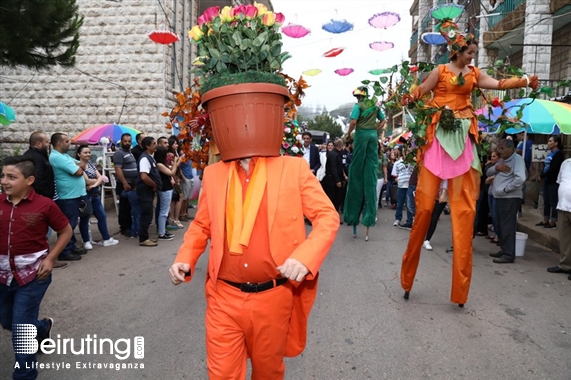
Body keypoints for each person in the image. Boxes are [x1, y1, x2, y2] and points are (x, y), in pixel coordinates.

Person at [400, 17, 538, 306]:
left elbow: (499, 83)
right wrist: (405, 96)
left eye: (474, 53)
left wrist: (524, 81)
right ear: (457, 52)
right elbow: (420, 92)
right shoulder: (439, 72)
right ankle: (407, 278)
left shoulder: (474, 75)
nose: (473, 57)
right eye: (470, 53)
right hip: (438, 140)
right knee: (424, 208)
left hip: (463, 142)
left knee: (464, 213)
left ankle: (460, 293)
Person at [169, 154, 339, 379]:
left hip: (274, 297)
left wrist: (305, 257)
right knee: (221, 374)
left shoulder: (293, 167)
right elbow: (202, 224)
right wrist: (186, 257)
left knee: (267, 373)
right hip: (223, 297)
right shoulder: (213, 173)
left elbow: (327, 216)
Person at [0, 156, 73, 380]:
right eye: (3, 176)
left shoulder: (45, 205)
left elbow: (66, 231)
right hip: (2, 276)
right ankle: (42, 328)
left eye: (11, 177)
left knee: (21, 330)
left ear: (29, 180)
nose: (4, 181)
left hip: (33, 276)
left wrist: (50, 258)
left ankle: (24, 374)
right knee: (8, 322)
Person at [343, 86, 387, 240]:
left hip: (361, 134)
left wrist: (348, 133)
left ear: (359, 96)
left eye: (357, 96)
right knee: (371, 169)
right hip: (373, 136)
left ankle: (352, 216)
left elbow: (354, 121)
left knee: (356, 169)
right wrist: (375, 129)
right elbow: (383, 120)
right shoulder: (375, 105)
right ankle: (368, 218)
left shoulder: (358, 106)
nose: (357, 99)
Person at [23, 131, 68, 269]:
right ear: (38, 143)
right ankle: (45, 261)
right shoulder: (34, 158)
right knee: (43, 233)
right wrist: (42, 199)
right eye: (46, 142)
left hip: (44, 198)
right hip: (40, 200)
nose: (49, 144)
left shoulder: (39, 156)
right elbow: (38, 181)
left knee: (44, 231)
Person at [49, 133, 88, 261]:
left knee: (72, 223)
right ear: (59, 143)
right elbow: (78, 171)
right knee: (67, 225)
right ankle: (64, 251)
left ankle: (70, 245)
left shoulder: (64, 156)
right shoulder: (56, 157)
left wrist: (79, 167)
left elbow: (83, 165)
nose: (69, 143)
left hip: (74, 194)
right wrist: (78, 168)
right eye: (66, 141)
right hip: (67, 196)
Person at [487, 139, 526, 264]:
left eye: (502, 148)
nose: (500, 151)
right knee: (499, 224)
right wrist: (497, 167)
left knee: (507, 226)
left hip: (509, 198)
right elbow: (488, 172)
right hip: (499, 197)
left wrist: (505, 190)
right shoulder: (502, 160)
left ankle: (508, 254)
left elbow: (521, 178)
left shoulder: (517, 159)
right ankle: (504, 249)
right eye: (499, 148)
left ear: (511, 148)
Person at [75, 145, 119, 249]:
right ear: (78, 154)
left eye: (89, 152)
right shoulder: (77, 166)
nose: (88, 154)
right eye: (85, 152)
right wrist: (98, 181)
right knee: (85, 218)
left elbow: (99, 177)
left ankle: (106, 239)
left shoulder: (91, 165)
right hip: (85, 196)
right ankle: (86, 241)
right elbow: (87, 180)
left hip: (94, 195)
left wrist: (95, 183)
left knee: (102, 216)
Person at [547, 157, 571, 279]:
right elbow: (560, 181)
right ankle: (565, 265)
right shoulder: (566, 163)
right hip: (563, 206)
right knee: (565, 238)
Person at [113, 133, 139, 237]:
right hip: (124, 184)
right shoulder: (119, 153)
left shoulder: (130, 152)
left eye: (129, 141)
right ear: (121, 141)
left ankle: (130, 225)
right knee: (124, 206)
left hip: (132, 183)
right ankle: (124, 227)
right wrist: (124, 182)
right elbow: (118, 169)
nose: (127, 143)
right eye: (125, 141)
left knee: (130, 206)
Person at [137, 137, 161, 247]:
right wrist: (154, 185)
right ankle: (143, 238)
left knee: (148, 213)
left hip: (148, 190)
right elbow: (144, 176)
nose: (156, 145)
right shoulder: (144, 159)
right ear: (147, 146)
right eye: (154, 143)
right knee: (146, 214)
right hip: (145, 190)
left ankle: (145, 236)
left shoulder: (150, 158)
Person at [537, 135, 564, 229]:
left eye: (550, 141)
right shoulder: (550, 154)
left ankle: (553, 221)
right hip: (547, 180)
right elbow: (546, 166)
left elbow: (554, 168)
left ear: (556, 143)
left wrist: (542, 175)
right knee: (546, 201)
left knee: (553, 201)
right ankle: (545, 219)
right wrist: (541, 175)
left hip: (553, 180)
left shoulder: (558, 154)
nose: (548, 143)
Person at [155, 146, 180, 241]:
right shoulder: (159, 164)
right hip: (164, 189)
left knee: (165, 211)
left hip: (167, 188)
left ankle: (163, 231)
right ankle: (161, 233)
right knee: (163, 212)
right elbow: (172, 172)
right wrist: (176, 164)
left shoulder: (163, 164)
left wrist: (176, 162)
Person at [321, 139, 345, 218]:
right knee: (333, 199)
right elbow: (333, 168)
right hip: (332, 181)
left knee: (337, 199)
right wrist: (338, 180)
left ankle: (334, 215)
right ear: (341, 146)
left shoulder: (336, 154)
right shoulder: (333, 154)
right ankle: (331, 216)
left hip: (335, 179)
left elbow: (339, 168)